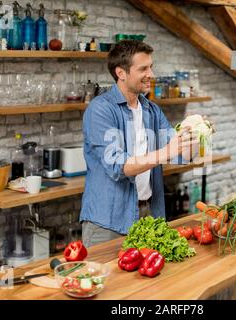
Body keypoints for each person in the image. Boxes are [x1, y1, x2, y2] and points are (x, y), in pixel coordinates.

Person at [80, 40, 198, 247]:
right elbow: (118, 166)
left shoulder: (151, 110)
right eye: (143, 68)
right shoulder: (100, 110)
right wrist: (165, 152)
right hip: (109, 222)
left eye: (151, 67)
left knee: (148, 279)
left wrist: (196, 132)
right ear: (121, 73)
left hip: (147, 214)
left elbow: (182, 154)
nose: (151, 74)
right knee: (104, 279)